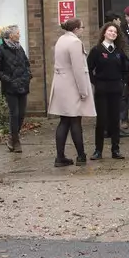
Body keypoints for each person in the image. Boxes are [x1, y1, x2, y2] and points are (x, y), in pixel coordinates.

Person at [49, 16, 95, 165]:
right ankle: (81, 156)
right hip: (72, 86)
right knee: (75, 120)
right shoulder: (75, 42)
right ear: (75, 29)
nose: (83, 30)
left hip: (61, 85)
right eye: (82, 28)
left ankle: (60, 157)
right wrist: (83, 91)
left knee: (64, 121)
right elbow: (78, 69)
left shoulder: (61, 40)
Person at [88, 20, 129, 160]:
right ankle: (98, 150)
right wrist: (95, 82)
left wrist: (121, 82)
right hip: (101, 89)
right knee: (101, 120)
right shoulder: (97, 50)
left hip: (115, 89)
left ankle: (115, 149)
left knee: (114, 120)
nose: (112, 33)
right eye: (110, 31)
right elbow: (88, 69)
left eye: (115, 32)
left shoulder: (119, 52)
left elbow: (126, 69)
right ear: (104, 33)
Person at [0, 25, 31, 153]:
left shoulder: (19, 48)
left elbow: (26, 63)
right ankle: (16, 141)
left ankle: (12, 139)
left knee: (22, 114)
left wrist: (28, 75)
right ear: (11, 35)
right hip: (10, 88)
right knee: (15, 114)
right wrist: (8, 80)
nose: (19, 35)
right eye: (17, 33)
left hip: (23, 85)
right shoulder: (0, 50)